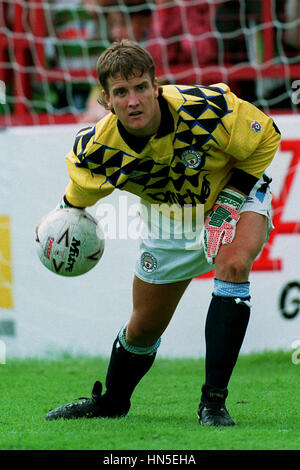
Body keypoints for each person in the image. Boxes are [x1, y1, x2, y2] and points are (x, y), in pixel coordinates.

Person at [44, 39, 281, 426]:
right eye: (121, 92)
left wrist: (231, 200)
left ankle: (213, 403)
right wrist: (59, 222)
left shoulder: (208, 109)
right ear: (106, 99)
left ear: (156, 86)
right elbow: (76, 199)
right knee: (143, 326)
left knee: (234, 264)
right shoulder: (96, 150)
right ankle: (113, 402)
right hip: (168, 220)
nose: (133, 100)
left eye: (141, 88)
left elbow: (266, 136)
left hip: (231, 196)